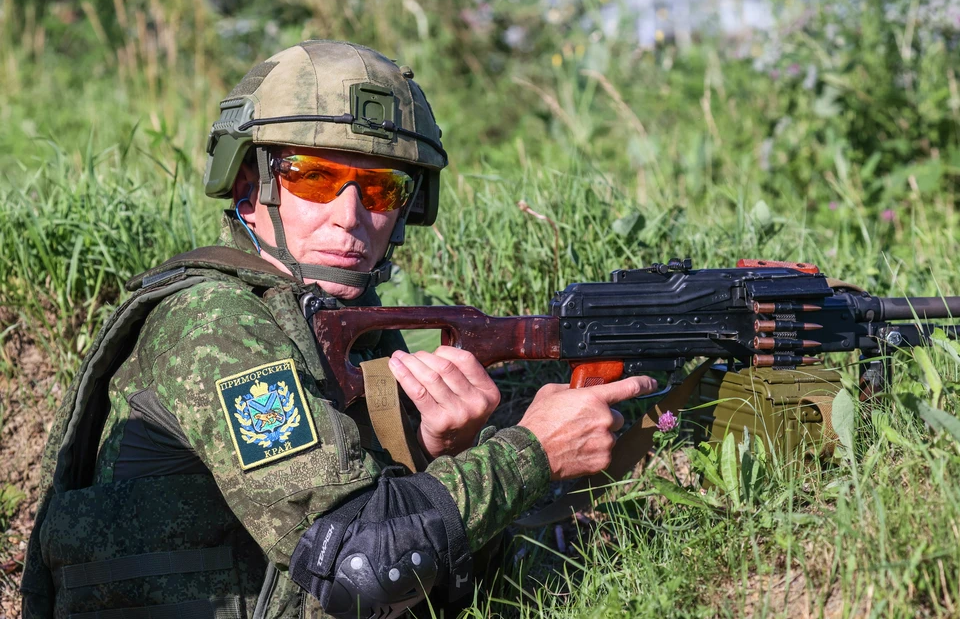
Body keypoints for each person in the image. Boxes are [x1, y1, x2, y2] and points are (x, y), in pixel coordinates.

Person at [22, 40, 656, 619]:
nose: (349, 216)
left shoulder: (348, 331)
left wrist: (444, 452)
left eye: (380, 188)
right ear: (251, 184)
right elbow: (358, 568)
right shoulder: (216, 325)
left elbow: (430, 590)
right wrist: (532, 454)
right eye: (314, 176)